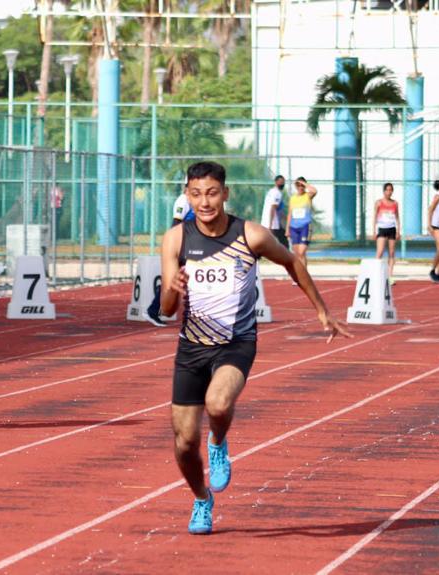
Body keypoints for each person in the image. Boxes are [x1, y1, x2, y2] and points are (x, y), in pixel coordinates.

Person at [159, 161, 350, 535]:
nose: (204, 202)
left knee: (218, 403)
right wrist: (173, 288)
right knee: (184, 444)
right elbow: (166, 309)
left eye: (212, 193)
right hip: (192, 348)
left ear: (225, 194)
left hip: (236, 343)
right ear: (187, 196)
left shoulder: (250, 235)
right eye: (196, 194)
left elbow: (292, 262)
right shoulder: (176, 239)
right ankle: (201, 498)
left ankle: (218, 442)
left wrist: (322, 311)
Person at [143, 191, 198, 327]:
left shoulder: (198, 201)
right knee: (174, 279)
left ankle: (154, 310)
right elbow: (176, 223)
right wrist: (175, 246)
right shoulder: (183, 200)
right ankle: (153, 311)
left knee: (187, 278)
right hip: (183, 247)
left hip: (193, 245)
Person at [285, 177, 317, 268]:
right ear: (296, 186)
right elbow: (290, 214)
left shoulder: (308, 196)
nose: (300, 187)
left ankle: (304, 273)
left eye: (302, 185)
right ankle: (299, 273)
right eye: (298, 185)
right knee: (297, 253)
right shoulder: (293, 198)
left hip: (305, 226)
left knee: (302, 252)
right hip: (294, 227)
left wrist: (304, 184)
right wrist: (287, 229)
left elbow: (314, 191)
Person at [373, 182, 401, 279]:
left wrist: (398, 231)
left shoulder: (395, 203)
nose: (389, 192)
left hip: (392, 229)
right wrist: (374, 231)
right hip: (382, 229)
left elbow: (397, 217)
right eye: (387, 190)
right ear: (384, 191)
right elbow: (375, 217)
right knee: (380, 252)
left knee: (391, 252)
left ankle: (390, 275)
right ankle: (376, 273)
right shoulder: (378, 203)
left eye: (391, 190)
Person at [260, 175, 288, 248]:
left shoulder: (271, 191)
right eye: (280, 182)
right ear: (276, 182)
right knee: (282, 243)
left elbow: (278, 210)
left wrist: (287, 218)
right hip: (273, 223)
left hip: (267, 222)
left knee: (281, 241)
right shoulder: (277, 193)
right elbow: (273, 208)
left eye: (283, 182)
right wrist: (270, 224)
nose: (282, 184)